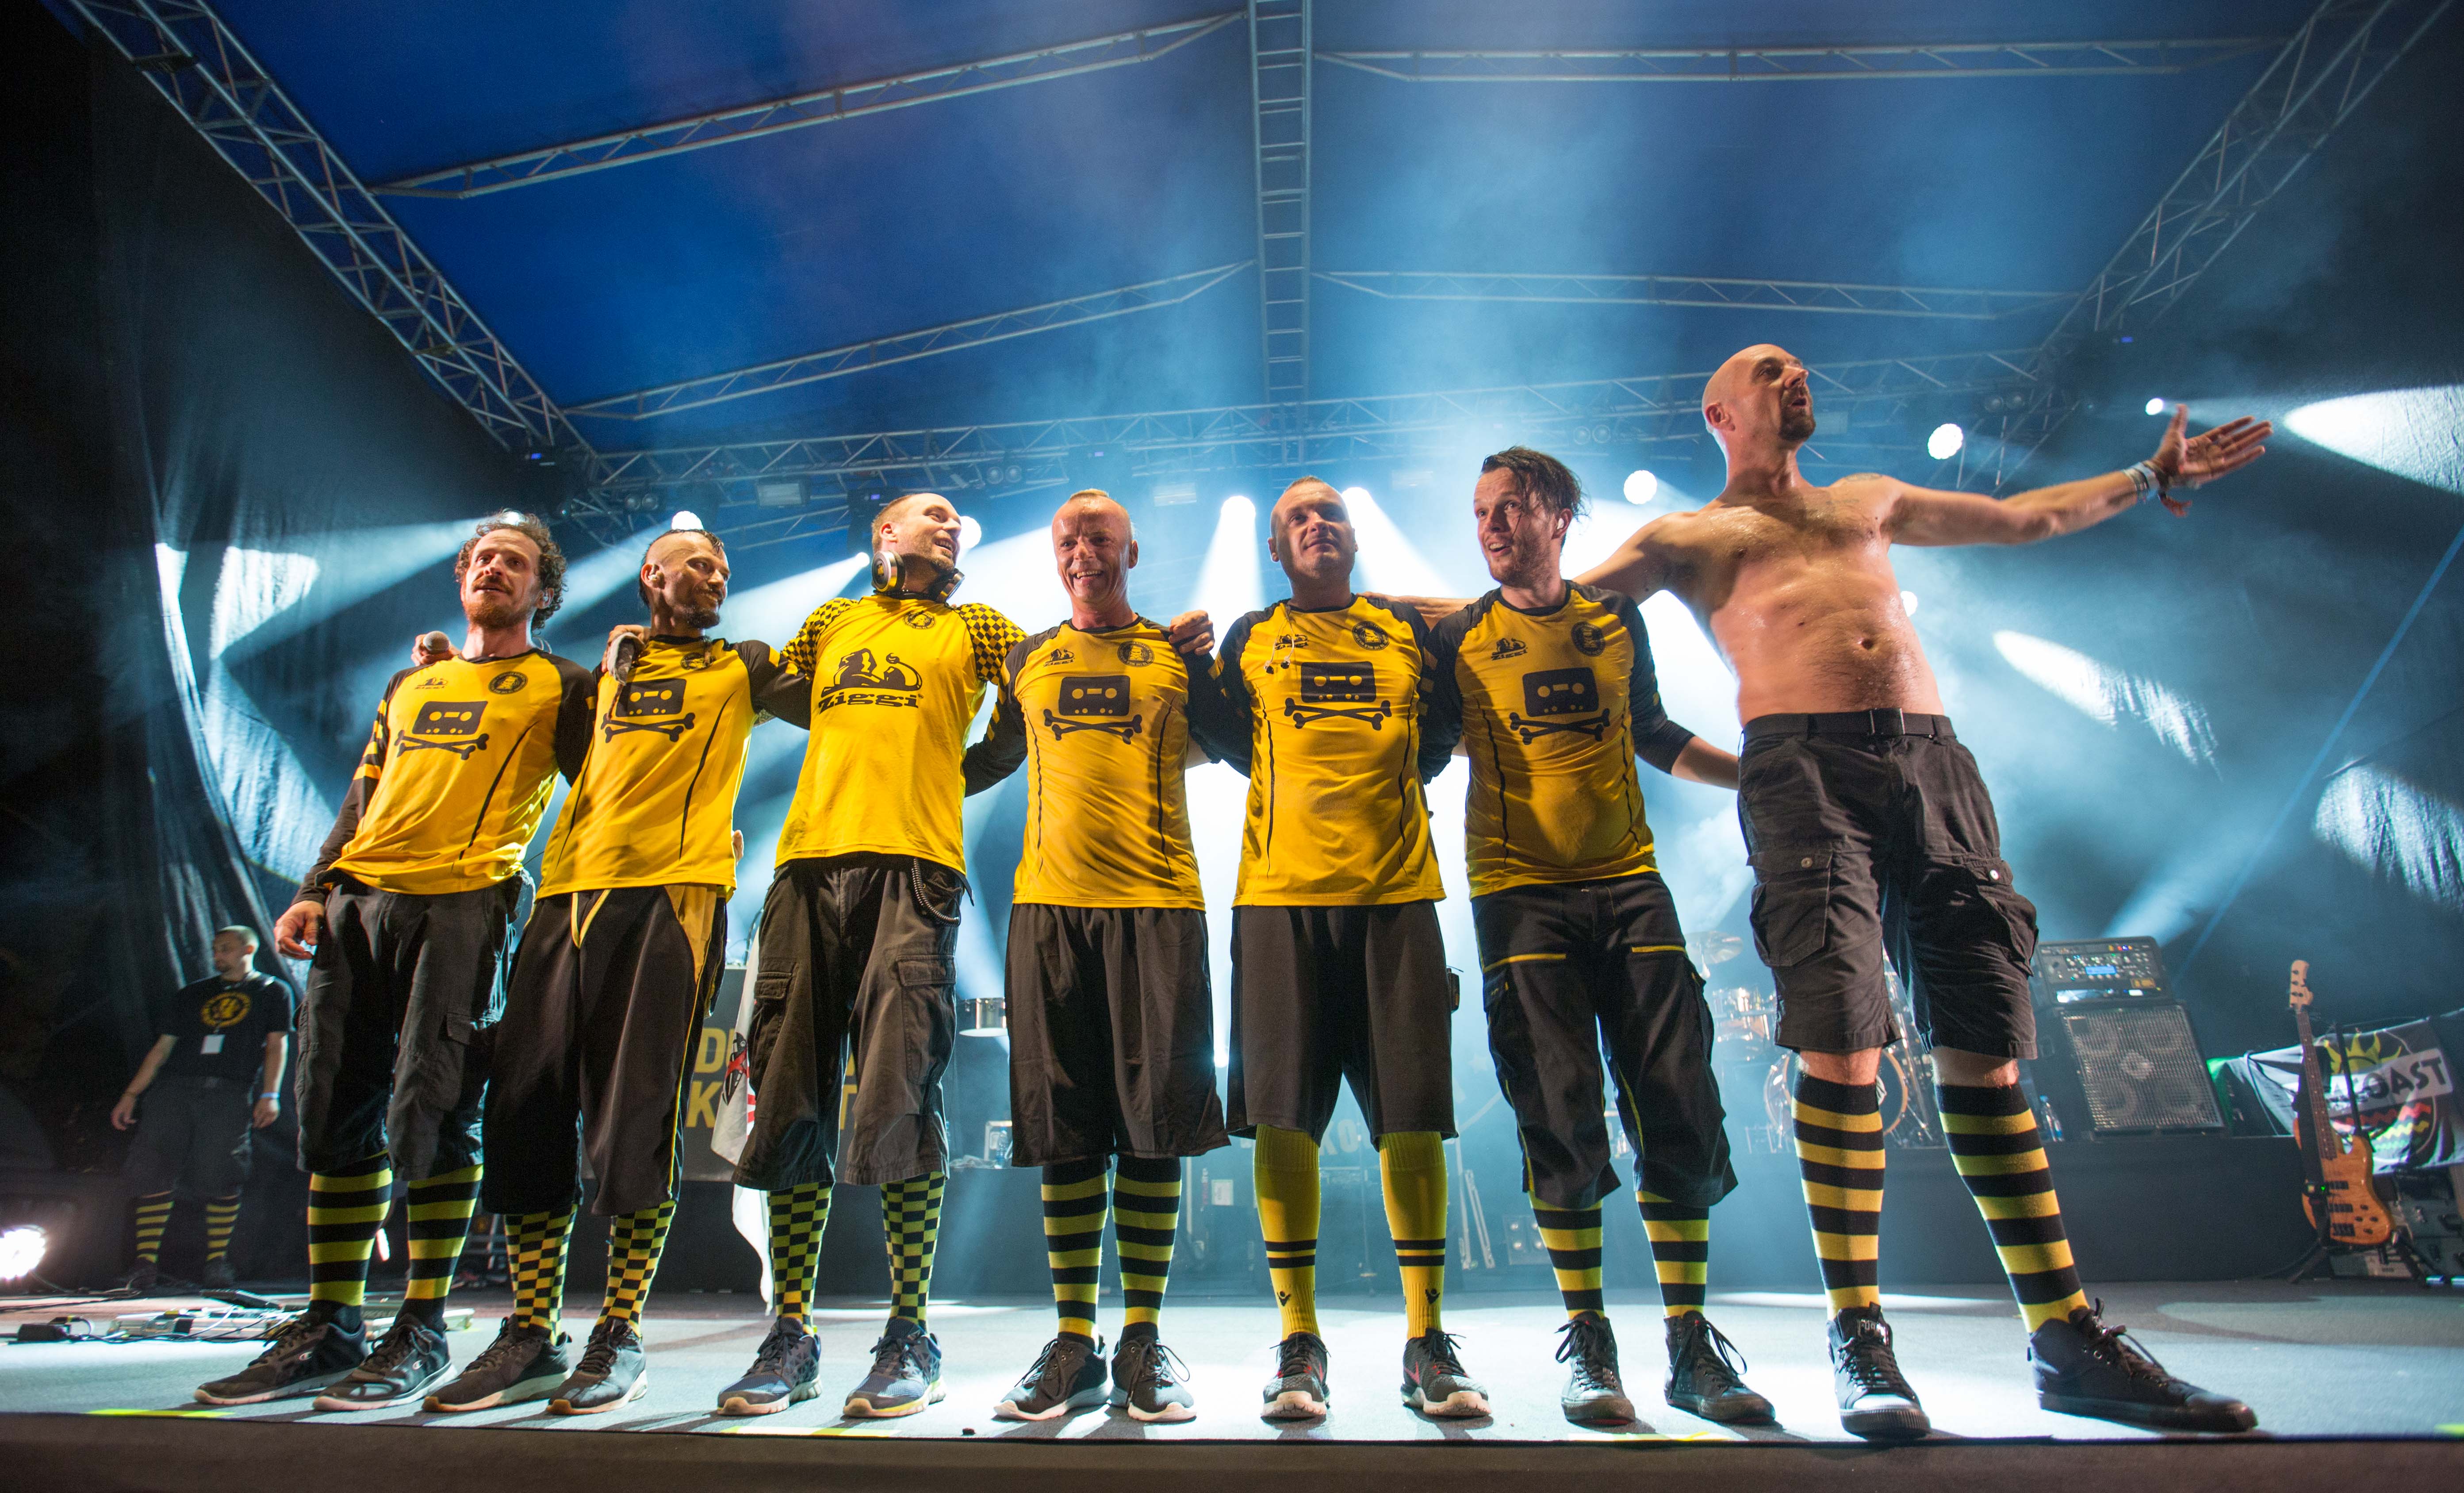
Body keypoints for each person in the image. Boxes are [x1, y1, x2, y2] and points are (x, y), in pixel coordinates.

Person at [1576, 343, 2269, 1437]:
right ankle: (1858, 1337)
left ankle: (2064, 1336)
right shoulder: (1685, 536)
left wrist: (2149, 476)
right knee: (1841, 1042)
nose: (1798, 376)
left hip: (1931, 760)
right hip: (1800, 768)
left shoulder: (1866, 498)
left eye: (1802, 366)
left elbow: (2022, 518)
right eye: (1771, 369)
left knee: (1983, 1045)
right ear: (1719, 412)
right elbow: (1532, 610)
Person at [196, 515, 593, 1408]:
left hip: (465, 904)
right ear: (462, 576)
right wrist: (315, 887)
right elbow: (363, 792)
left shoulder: (565, 685)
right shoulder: (411, 683)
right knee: (336, 1107)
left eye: (516, 562)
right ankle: (331, 1324)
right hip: (360, 905)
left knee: (438, 1105)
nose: (495, 568)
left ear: (543, 591)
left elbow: (602, 792)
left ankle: (422, 1326)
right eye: (483, 557)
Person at [415, 528, 811, 1416]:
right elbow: (523, 727)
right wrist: (444, 666)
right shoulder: (596, 677)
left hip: (673, 897)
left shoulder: (742, 664)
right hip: (566, 895)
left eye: (723, 568)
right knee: (524, 1111)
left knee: (638, 1114)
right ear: (650, 575)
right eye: (698, 563)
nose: (716, 577)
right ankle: (530, 1332)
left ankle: (619, 1332)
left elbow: (842, 705)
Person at [1420, 447, 1769, 1427]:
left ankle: (1690, 1344)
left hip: (1630, 888)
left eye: (1509, 508)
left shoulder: (1614, 619)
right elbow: (1419, 754)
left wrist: (1758, 772)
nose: (1491, 526)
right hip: (1519, 898)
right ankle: (1589, 1341)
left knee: (1678, 1100)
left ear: (1558, 516)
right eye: (1479, 511)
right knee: (1559, 1108)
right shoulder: (1460, 637)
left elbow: (1652, 730)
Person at [717, 492, 1026, 1419]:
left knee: (899, 1097)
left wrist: (964, 768)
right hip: (807, 869)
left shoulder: (975, 624)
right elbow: (773, 690)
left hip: (914, 872)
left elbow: (1034, 690)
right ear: (885, 535)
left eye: (957, 519)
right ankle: (791, 1333)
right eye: (932, 513)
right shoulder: (833, 619)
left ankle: (909, 1332)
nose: (951, 524)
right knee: (789, 1102)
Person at [1192, 477, 1480, 1421]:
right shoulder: (1249, 637)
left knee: (1412, 1120)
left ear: (1355, 536)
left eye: (1331, 514)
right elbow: (1226, 737)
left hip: (1397, 898)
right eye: (1297, 519)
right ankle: (1299, 1341)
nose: (1318, 524)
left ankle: (1426, 1341)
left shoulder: (1406, 630)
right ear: (1275, 549)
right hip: (1278, 901)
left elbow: (1438, 738)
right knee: (1283, 1122)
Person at [989, 492, 1231, 1424]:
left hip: (1158, 908)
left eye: (1100, 537)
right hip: (1048, 911)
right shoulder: (1026, 657)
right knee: (1067, 1131)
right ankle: (1072, 1342)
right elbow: (988, 756)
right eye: (1068, 539)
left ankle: (1142, 1338)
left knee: (1154, 1127)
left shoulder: (1176, 652)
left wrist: (1203, 666)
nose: (1083, 551)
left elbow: (1235, 744)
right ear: (1053, 555)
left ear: (1132, 550)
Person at [112, 925, 292, 1294]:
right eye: (215, 949)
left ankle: (217, 1262)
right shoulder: (194, 993)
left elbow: (277, 1046)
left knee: (221, 1171)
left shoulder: (271, 991)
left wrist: (270, 1093)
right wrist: (132, 1093)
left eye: (226, 948)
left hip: (228, 1092)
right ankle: (144, 1264)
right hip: (176, 1089)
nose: (217, 955)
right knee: (155, 1168)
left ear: (248, 949)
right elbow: (162, 1048)